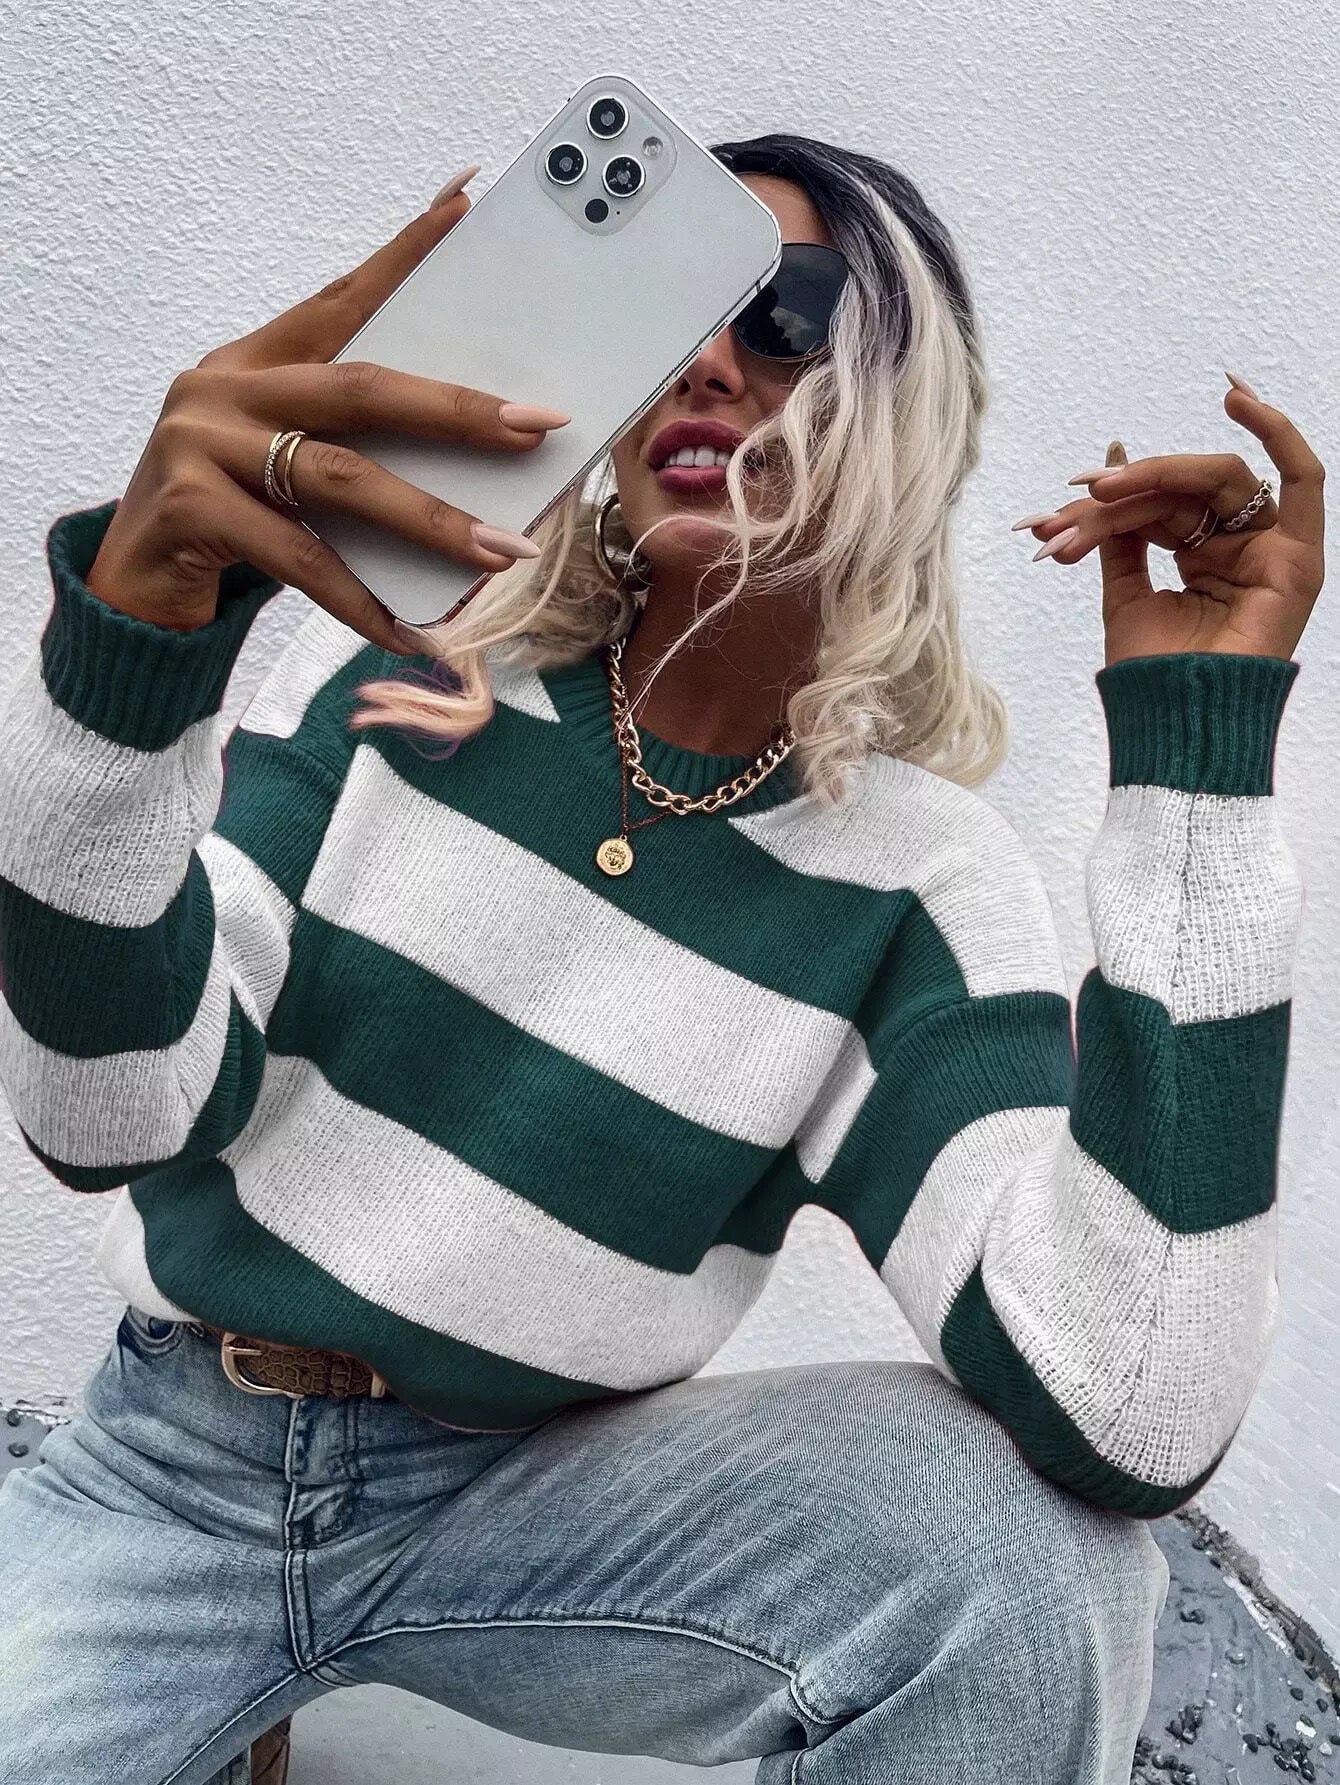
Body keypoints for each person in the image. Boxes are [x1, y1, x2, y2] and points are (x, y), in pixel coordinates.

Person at [0, 129, 1324, 1785]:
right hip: (171, 1470)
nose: (707, 359)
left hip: (529, 1511)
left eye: (786, 312)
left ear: (904, 402)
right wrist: (134, 654)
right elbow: (110, 1111)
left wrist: (1198, 753)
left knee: (1033, 1564)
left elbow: (1124, 1403)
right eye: (671, 308)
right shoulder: (402, 686)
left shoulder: (914, 879)